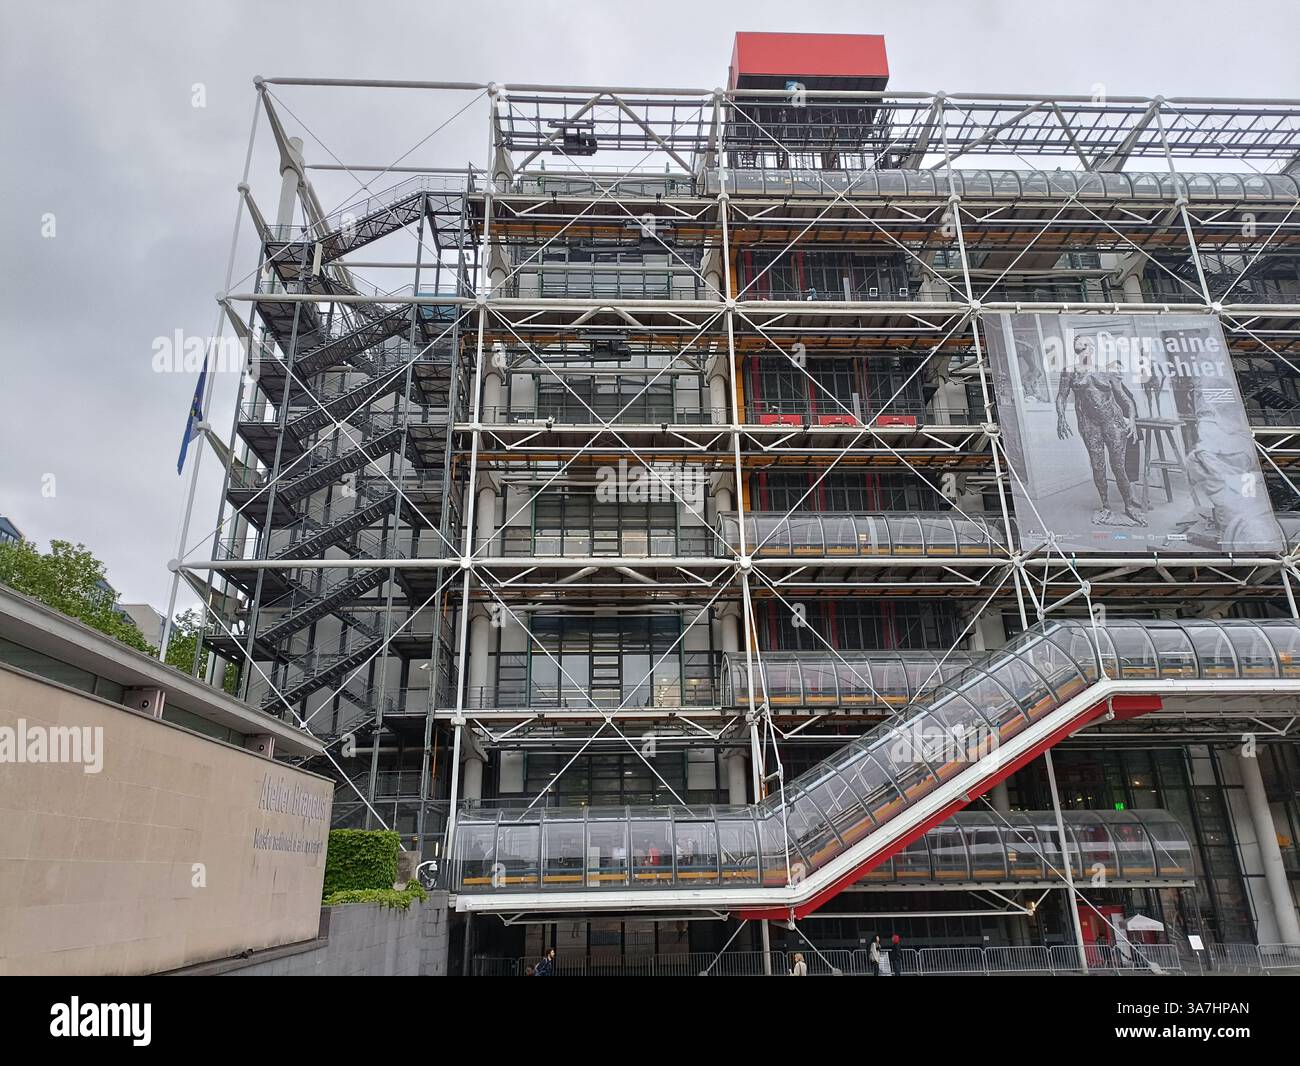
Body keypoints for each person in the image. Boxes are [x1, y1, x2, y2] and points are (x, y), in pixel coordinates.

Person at [1055, 333, 1144, 527]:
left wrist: (1132, 421)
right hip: (1089, 423)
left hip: (1113, 421)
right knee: (1098, 466)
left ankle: (1129, 506)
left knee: (1118, 466)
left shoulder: (1107, 371)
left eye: (1085, 346)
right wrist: (1061, 417)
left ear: (1092, 348)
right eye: (1078, 348)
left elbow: (1126, 400)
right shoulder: (1070, 372)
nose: (1082, 351)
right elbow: (1061, 396)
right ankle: (1106, 506)